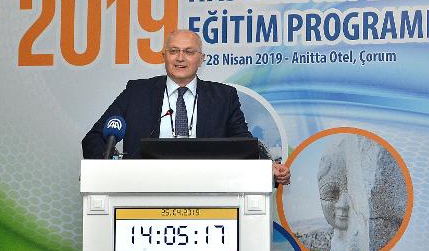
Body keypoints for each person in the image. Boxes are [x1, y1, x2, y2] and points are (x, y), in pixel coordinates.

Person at [82, 29, 290, 185]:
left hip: (208, 192)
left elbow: (243, 143)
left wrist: (267, 168)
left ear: (201, 59)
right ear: (164, 56)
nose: (180, 58)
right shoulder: (137, 92)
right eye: (173, 51)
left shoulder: (224, 97)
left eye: (189, 52)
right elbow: (94, 138)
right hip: (143, 190)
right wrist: (111, 171)